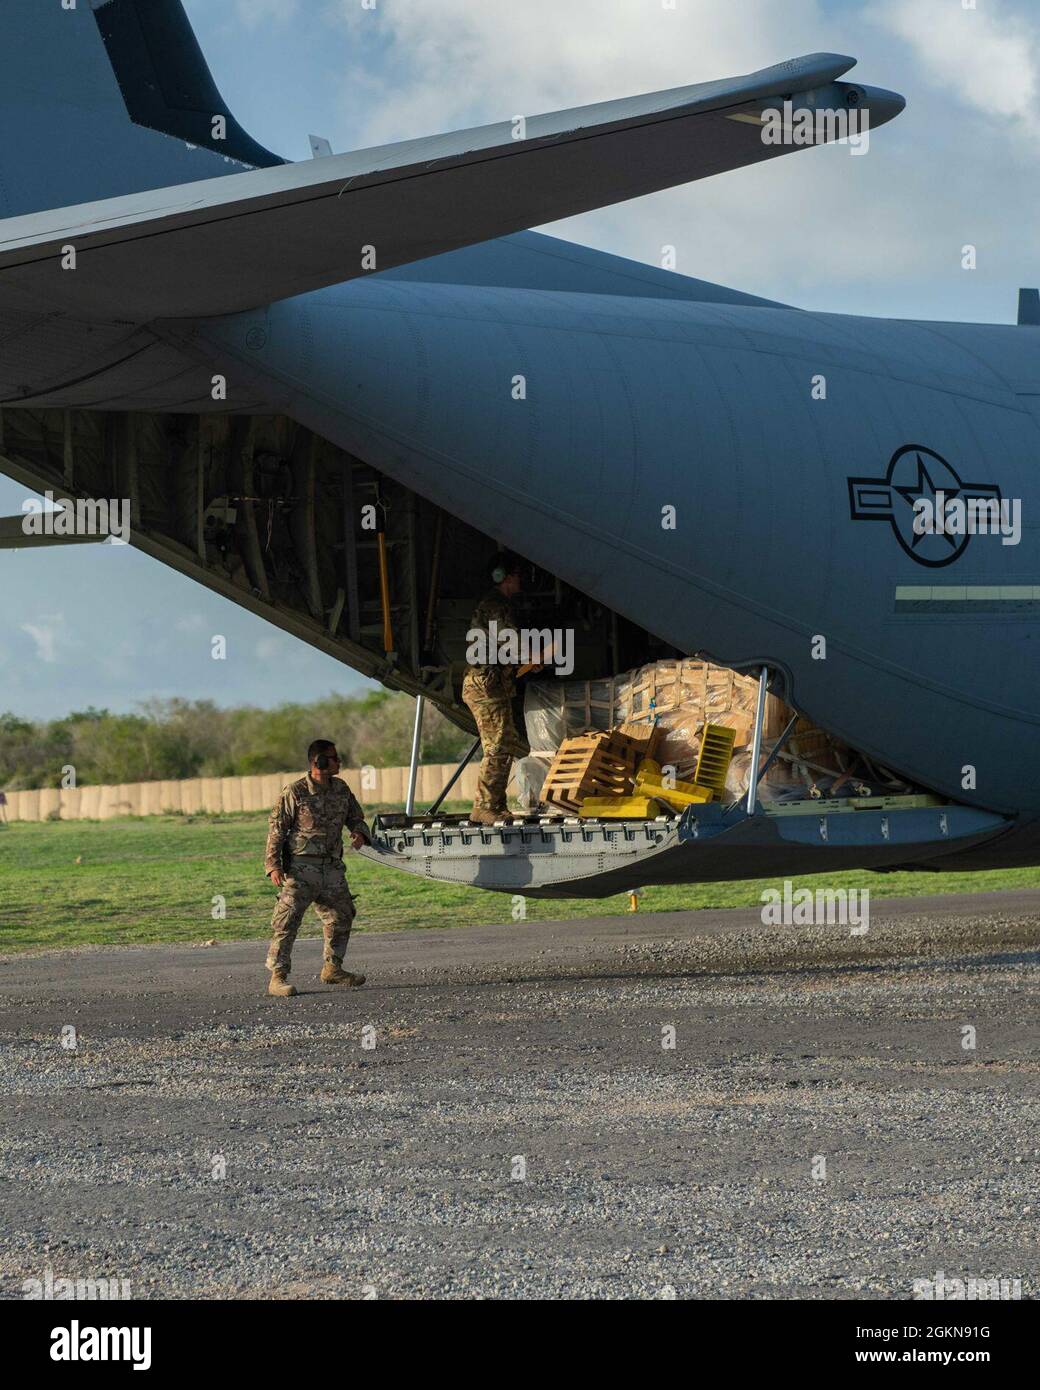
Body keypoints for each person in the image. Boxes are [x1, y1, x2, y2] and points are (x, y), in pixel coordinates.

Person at [263, 740, 370, 998]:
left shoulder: (341, 789)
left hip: (331, 868)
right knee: (287, 921)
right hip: (301, 868)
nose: (339, 762)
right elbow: (277, 829)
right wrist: (273, 865)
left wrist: (359, 833)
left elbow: (356, 817)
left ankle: (333, 968)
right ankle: (277, 978)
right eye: (333, 758)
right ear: (318, 762)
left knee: (342, 915)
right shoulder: (296, 791)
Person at [461, 552, 533, 825]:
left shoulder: (498, 605)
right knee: (500, 743)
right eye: (516, 575)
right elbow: (509, 641)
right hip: (486, 685)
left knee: (505, 741)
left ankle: (494, 806)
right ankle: (486, 806)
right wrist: (530, 655)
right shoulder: (496, 606)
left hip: (492, 683)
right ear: (503, 578)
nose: (519, 581)